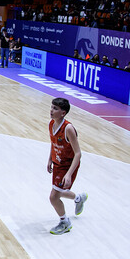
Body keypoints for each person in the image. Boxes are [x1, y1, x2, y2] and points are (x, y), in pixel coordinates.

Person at [47, 98, 88, 235]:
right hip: (58, 162)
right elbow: (53, 144)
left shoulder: (68, 128)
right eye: (52, 107)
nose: (52, 110)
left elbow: (78, 153)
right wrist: (50, 159)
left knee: (53, 197)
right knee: (59, 192)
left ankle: (65, 222)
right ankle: (78, 198)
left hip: (68, 165)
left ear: (63, 113)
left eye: (55, 109)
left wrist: (69, 174)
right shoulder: (51, 124)